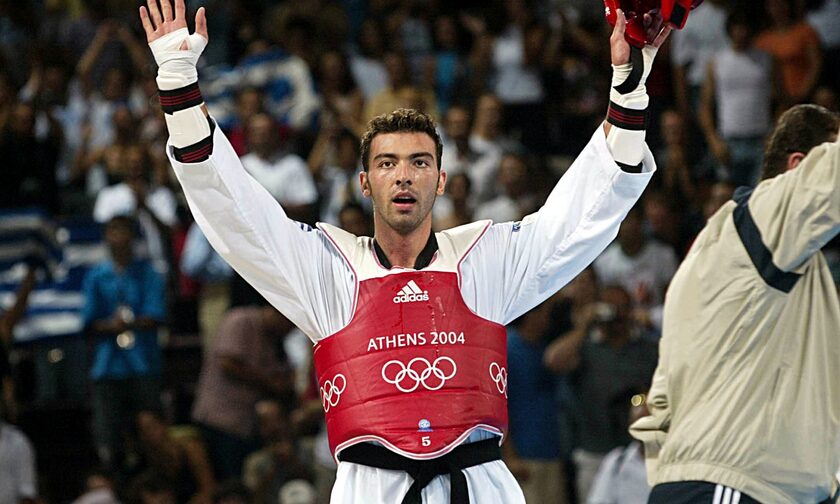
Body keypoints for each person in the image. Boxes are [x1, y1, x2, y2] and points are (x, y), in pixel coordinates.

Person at [139, 1, 669, 501]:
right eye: (387, 163)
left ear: (441, 180)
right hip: (370, 489)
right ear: (365, 183)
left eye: (419, 162)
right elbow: (235, 211)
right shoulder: (330, 270)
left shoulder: (482, 259)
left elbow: (580, 218)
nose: (404, 176)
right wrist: (179, 83)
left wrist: (630, 87)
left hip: (478, 485)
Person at [630, 104, 840, 504]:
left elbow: (661, 405)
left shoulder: (723, 270)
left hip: (726, 483)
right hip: (731, 484)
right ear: (798, 168)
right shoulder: (760, 219)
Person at [82, 215, 167, 468]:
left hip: (143, 364)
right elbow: (88, 322)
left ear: (132, 237)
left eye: (122, 231)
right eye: (112, 231)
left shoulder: (149, 274)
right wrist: (112, 326)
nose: (117, 237)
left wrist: (129, 324)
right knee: (109, 435)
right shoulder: (96, 276)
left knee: (150, 431)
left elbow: (156, 315)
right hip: (108, 366)